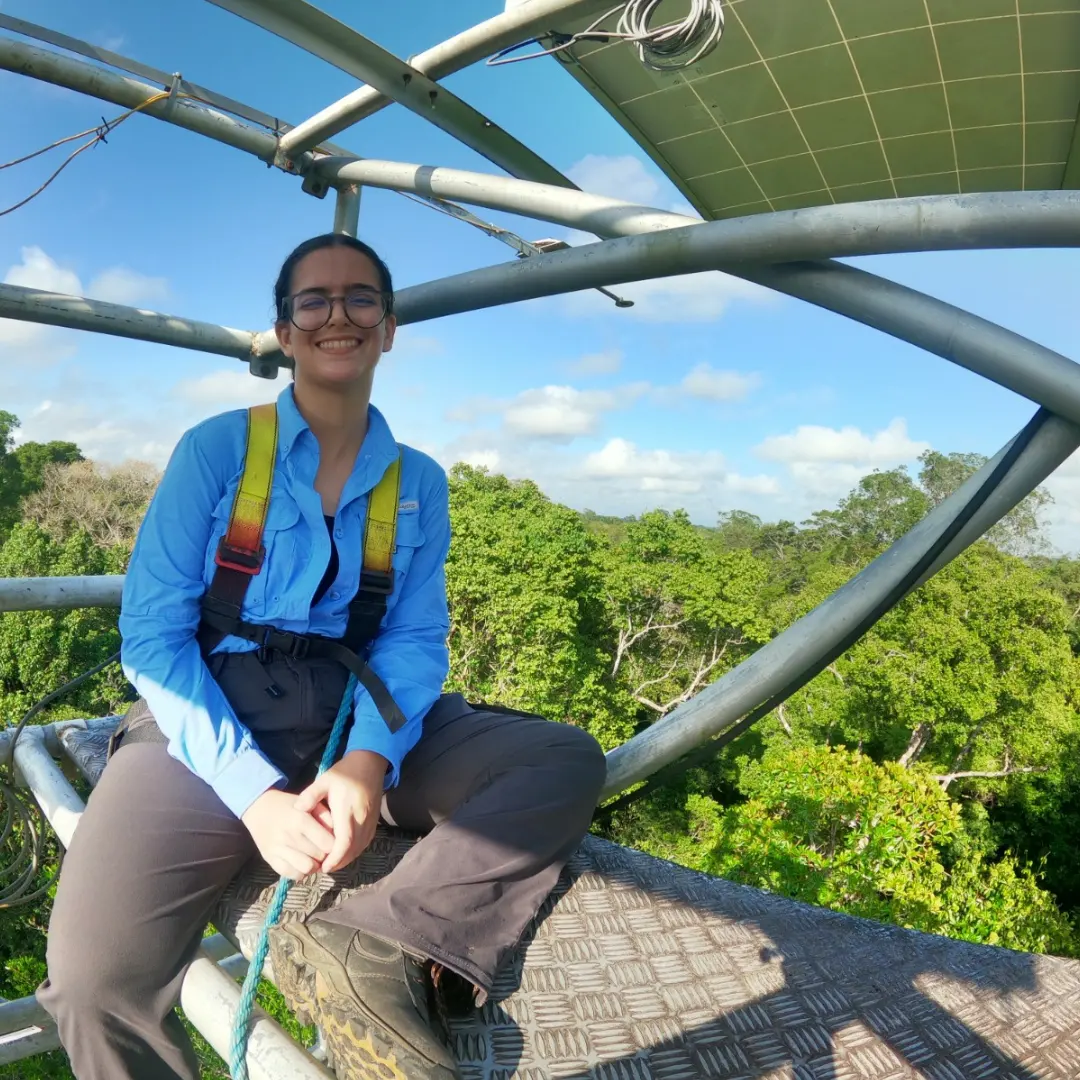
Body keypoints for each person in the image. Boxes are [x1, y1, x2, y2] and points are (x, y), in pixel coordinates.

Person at [36, 233, 607, 1080]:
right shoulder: (219, 449)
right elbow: (154, 635)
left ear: (389, 328)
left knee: (560, 757)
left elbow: (413, 637)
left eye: (360, 299)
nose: (337, 314)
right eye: (314, 300)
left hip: (353, 702)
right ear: (285, 330)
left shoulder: (417, 481)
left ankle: (388, 946)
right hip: (214, 707)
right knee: (92, 984)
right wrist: (257, 800)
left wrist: (370, 761)